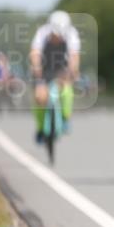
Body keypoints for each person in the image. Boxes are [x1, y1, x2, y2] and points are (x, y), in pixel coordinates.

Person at [29, 10, 81, 143]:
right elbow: (35, 53)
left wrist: (72, 71)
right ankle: (41, 128)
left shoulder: (72, 33)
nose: (58, 38)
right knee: (39, 97)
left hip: (61, 67)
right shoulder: (42, 32)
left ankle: (65, 117)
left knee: (66, 88)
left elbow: (74, 56)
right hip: (44, 67)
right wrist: (37, 69)